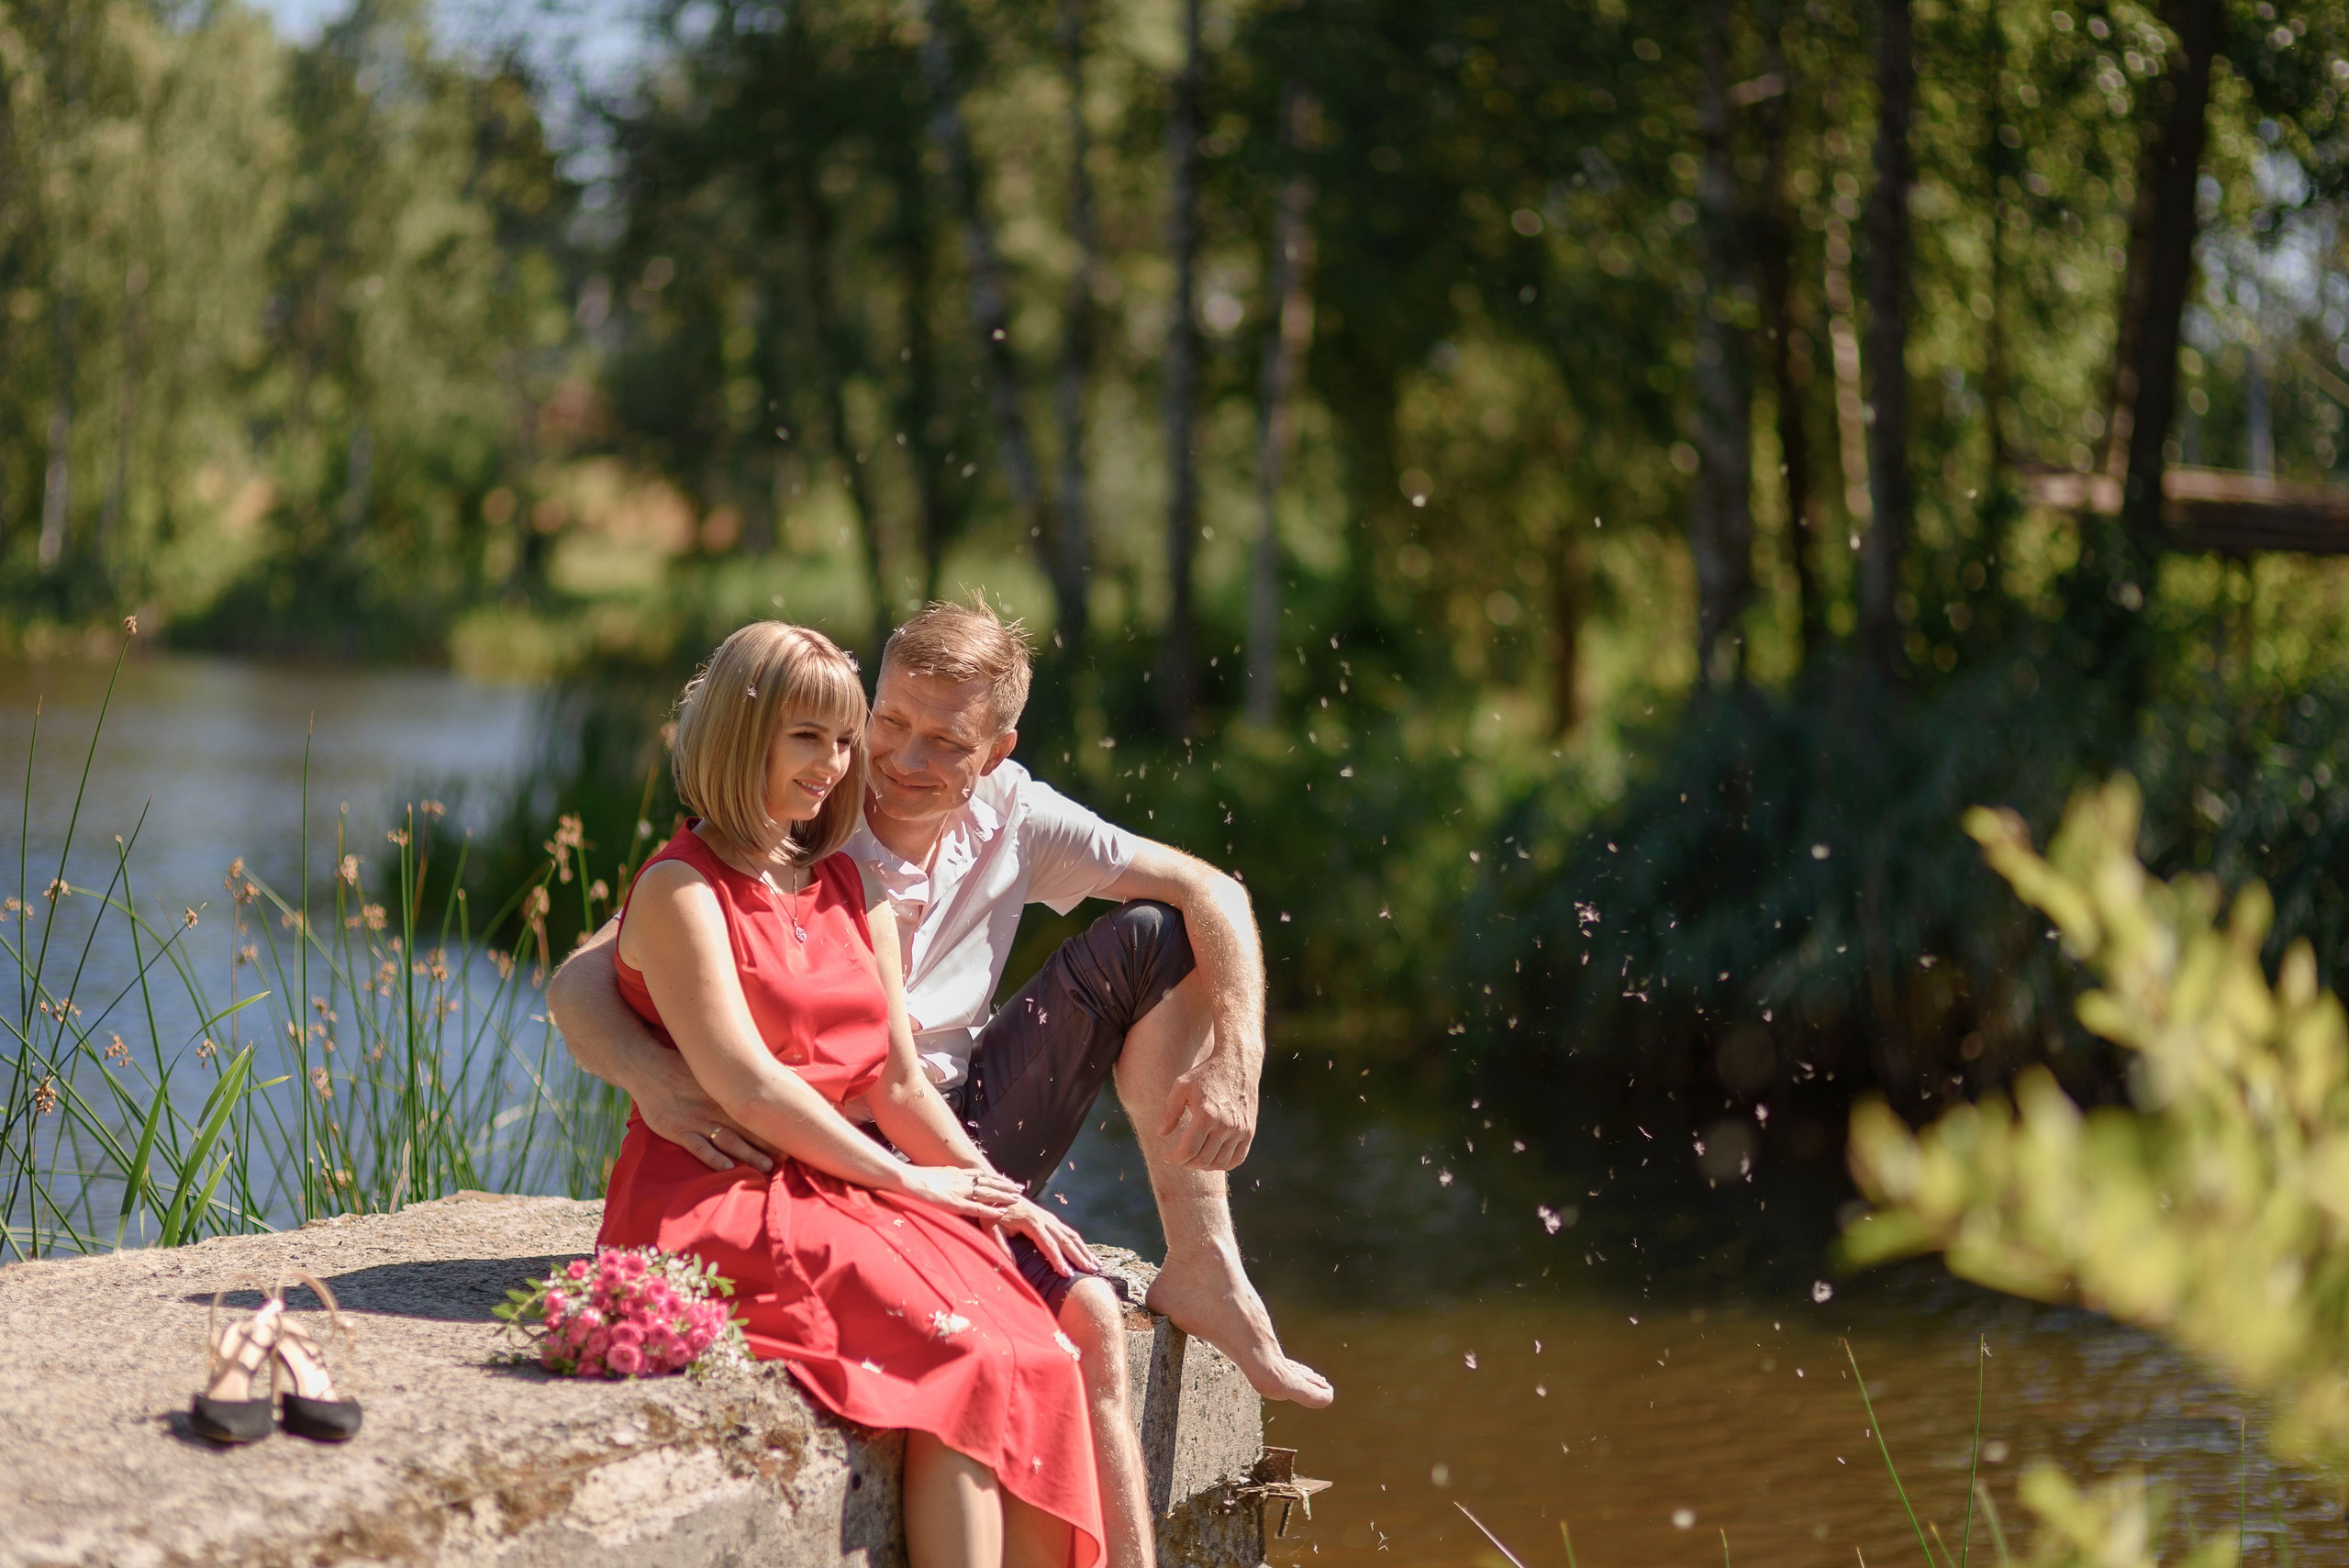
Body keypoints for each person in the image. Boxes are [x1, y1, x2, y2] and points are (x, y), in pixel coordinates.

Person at [554, 599, 1332, 1568]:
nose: (892, 758)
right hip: (820, 1143)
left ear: (997, 749)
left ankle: (1204, 1259)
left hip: (939, 1119)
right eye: (886, 722)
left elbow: (1212, 889)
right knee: (1074, 1314)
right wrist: (650, 1071)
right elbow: (588, 969)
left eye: (942, 740)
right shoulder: (801, 825)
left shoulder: (1004, 817)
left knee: (1156, 937)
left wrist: (1238, 1062)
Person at [592, 620, 1102, 1568]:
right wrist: (911, 1187)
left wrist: (988, 1187)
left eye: (841, 737)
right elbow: (748, 1084)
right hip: (724, 1193)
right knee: (964, 1355)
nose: (836, 764)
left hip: (842, 1182)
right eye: (806, 736)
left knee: (1038, 1350)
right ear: (742, 737)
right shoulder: (679, 891)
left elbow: (896, 1080)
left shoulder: (846, 882)